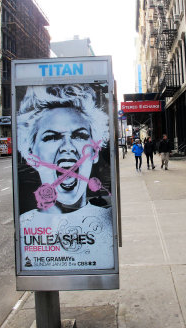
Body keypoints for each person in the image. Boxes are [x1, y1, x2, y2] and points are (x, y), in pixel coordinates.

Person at [16, 84, 114, 271]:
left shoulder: (109, 221)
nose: (67, 147)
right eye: (52, 137)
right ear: (31, 154)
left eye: (79, 136)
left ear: (94, 152)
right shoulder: (23, 228)